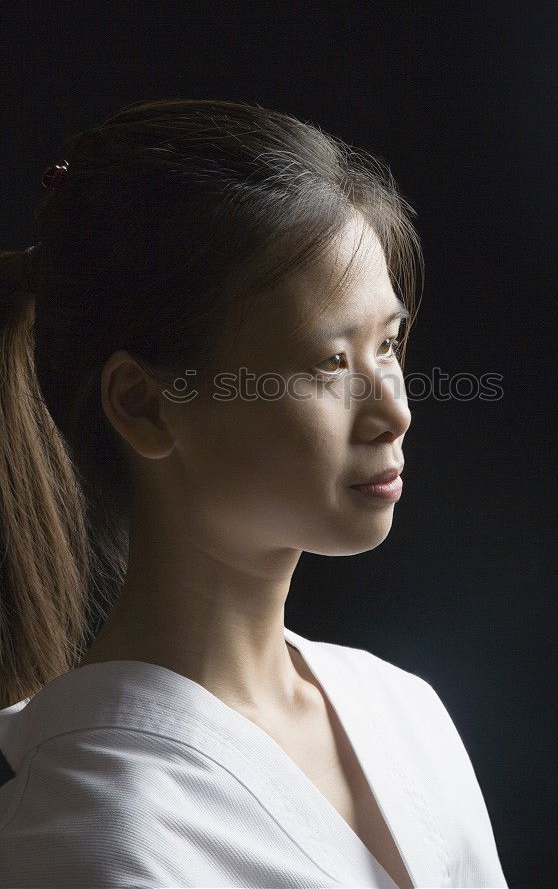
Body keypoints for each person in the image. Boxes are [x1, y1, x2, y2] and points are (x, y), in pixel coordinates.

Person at [0, 99, 507, 888]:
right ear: (143, 403)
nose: (393, 409)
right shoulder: (94, 834)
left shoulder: (404, 713)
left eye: (390, 343)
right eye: (330, 363)